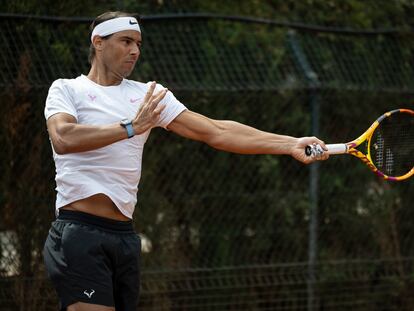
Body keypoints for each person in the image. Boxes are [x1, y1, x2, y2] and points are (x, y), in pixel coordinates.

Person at [43, 11, 328, 311]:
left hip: (124, 238)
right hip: (79, 232)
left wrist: (290, 144)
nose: (135, 51)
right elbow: (64, 138)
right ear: (98, 42)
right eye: (126, 41)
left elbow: (216, 131)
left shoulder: (148, 96)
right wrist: (131, 128)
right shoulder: (67, 89)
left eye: (138, 43)